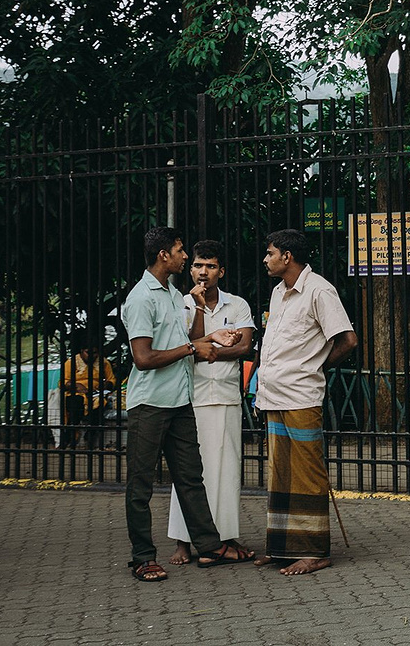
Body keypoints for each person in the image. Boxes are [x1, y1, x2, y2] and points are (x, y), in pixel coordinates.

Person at [121, 226, 254, 582]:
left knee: (191, 479)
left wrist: (207, 337)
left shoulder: (169, 294)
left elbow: (186, 338)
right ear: (164, 255)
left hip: (180, 401)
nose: (186, 258)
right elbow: (143, 358)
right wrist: (195, 348)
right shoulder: (141, 298)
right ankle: (142, 557)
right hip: (150, 402)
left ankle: (210, 546)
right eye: (181, 251)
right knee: (141, 485)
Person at [254, 229, 358, 576]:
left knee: (308, 473)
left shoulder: (319, 290)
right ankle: (282, 547)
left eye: (270, 253)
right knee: (280, 472)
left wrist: (318, 364)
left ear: (287, 256)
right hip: (274, 394)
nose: (266, 259)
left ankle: (315, 551)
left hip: (301, 395)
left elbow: (347, 340)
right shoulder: (277, 293)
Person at [167, 239, 256, 565]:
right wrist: (201, 308)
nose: (204, 272)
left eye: (210, 266)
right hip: (193, 398)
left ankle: (224, 537)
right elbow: (190, 345)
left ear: (221, 270)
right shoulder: (183, 305)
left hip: (228, 397)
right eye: (198, 266)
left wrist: (210, 351)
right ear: (191, 269)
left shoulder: (238, 305)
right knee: (189, 471)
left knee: (227, 469)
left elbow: (245, 347)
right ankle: (183, 541)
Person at [60, 328, 117, 450]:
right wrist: (76, 386)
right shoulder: (71, 363)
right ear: (81, 351)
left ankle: (90, 436)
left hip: (96, 395)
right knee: (75, 404)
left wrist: (106, 385)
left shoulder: (103, 363)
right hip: (76, 394)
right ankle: (71, 436)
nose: (92, 356)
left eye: (95, 353)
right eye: (88, 352)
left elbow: (112, 380)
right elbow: (62, 382)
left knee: (100, 405)